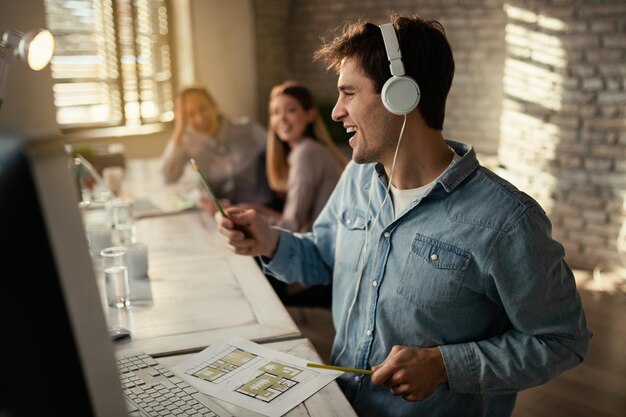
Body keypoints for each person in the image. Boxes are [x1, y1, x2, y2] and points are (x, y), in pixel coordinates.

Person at [215, 13, 592, 417]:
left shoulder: (506, 220)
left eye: (349, 94)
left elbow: (561, 340)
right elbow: (326, 258)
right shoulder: (357, 180)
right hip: (342, 404)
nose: (336, 112)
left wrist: (445, 366)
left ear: (401, 95)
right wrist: (270, 241)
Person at [238, 80, 348, 306]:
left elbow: (293, 226)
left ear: (310, 115)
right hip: (324, 255)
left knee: (244, 270)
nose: (282, 119)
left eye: (290, 110)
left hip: (320, 267)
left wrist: (252, 217)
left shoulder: (306, 153)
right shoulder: (308, 150)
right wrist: (254, 211)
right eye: (276, 112)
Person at [160, 84, 278, 213]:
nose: (199, 118)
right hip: (224, 214)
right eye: (190, 114)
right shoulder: (187, 143)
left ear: (214, 105)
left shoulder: (248, 130)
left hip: (263, 210)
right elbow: (167, 177)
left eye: (202, 108)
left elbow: (282, 152)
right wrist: (179, 128)